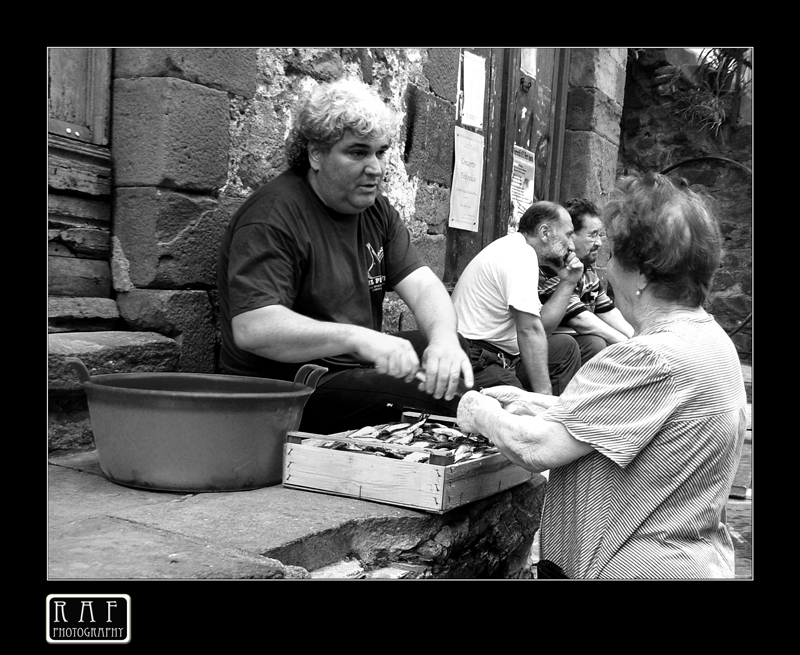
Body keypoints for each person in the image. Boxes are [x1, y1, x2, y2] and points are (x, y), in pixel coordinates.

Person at [456, 171, 748, 579]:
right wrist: (529, 400)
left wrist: (476, 408)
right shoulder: (713, 341)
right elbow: (623, 419)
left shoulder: (647, 358)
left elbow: (538, 447)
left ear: (643, 274)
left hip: (632, 565)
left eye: (615, 257)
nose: (608, 268)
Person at [217, 78, 473, 434]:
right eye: (357, 152)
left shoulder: (376, 210)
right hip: (287, 389)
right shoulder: (273, 215)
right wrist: (359, 338)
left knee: (459, 355)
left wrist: (444, 341)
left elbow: (425, 287)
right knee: (446, 400)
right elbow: (253, 329)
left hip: (351, 370)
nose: (376, 168)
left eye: (381, 152)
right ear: (316, 154)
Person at [451, 201, 585, 396]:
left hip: (504, 357)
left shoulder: (521, 250)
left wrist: (568, 282)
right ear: (545, 232)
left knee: (566, 348)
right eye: (568, 235)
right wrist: (544, 398)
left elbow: (542, 328)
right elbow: (529, 330)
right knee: (518, 407)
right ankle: (547, 417)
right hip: (474, 358)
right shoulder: (520, 254)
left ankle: (553, 415)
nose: (572, 245)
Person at [538, 198, 634, 365]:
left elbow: (608, 311)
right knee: (595, 343)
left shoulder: (587, 269)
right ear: (570, 235)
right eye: (593, 235)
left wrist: (637, 339)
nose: (599, 243)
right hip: (547, 352)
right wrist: (629, 347)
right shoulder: (553, 268)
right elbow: (582, 321)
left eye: (600, 235)